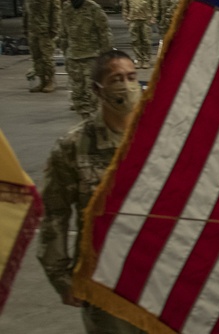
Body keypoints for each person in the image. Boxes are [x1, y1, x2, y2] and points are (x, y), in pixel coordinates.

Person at [38, 50, 145, 334]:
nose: (126, 85)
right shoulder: (74, 146)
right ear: (97, 90)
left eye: (132, 77)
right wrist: (60, 276)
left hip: (157, 272)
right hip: (103, 278)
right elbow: (54, 214)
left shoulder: (158, 138)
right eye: (116, 79)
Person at [60, 0, 113, 117]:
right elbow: (64, 33)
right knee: (77, 91)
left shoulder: (94, 9)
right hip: (73, 57)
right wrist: (65, 51)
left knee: (93, 91)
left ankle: (96, 118)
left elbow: (104, 33)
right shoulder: (66, 9)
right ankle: (84, 118)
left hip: (91, 57)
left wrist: (105, 56)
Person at [23, 0, 62, 93]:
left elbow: (56, 12)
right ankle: (42, 80)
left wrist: (54, 29)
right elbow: (26, 13)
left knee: (47, 58)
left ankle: (50, 81)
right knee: (36, 58)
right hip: (32, 31)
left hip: (45, 32)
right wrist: (25, 28)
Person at [122, 0, 158, 69]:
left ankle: (146, 60)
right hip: (133, 18)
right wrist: (126, 17)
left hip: (146, 19)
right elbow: (125, 4)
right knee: (135, 41)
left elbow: (154, 3)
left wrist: (154, 17)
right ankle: (139, 59)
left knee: (146, 41)